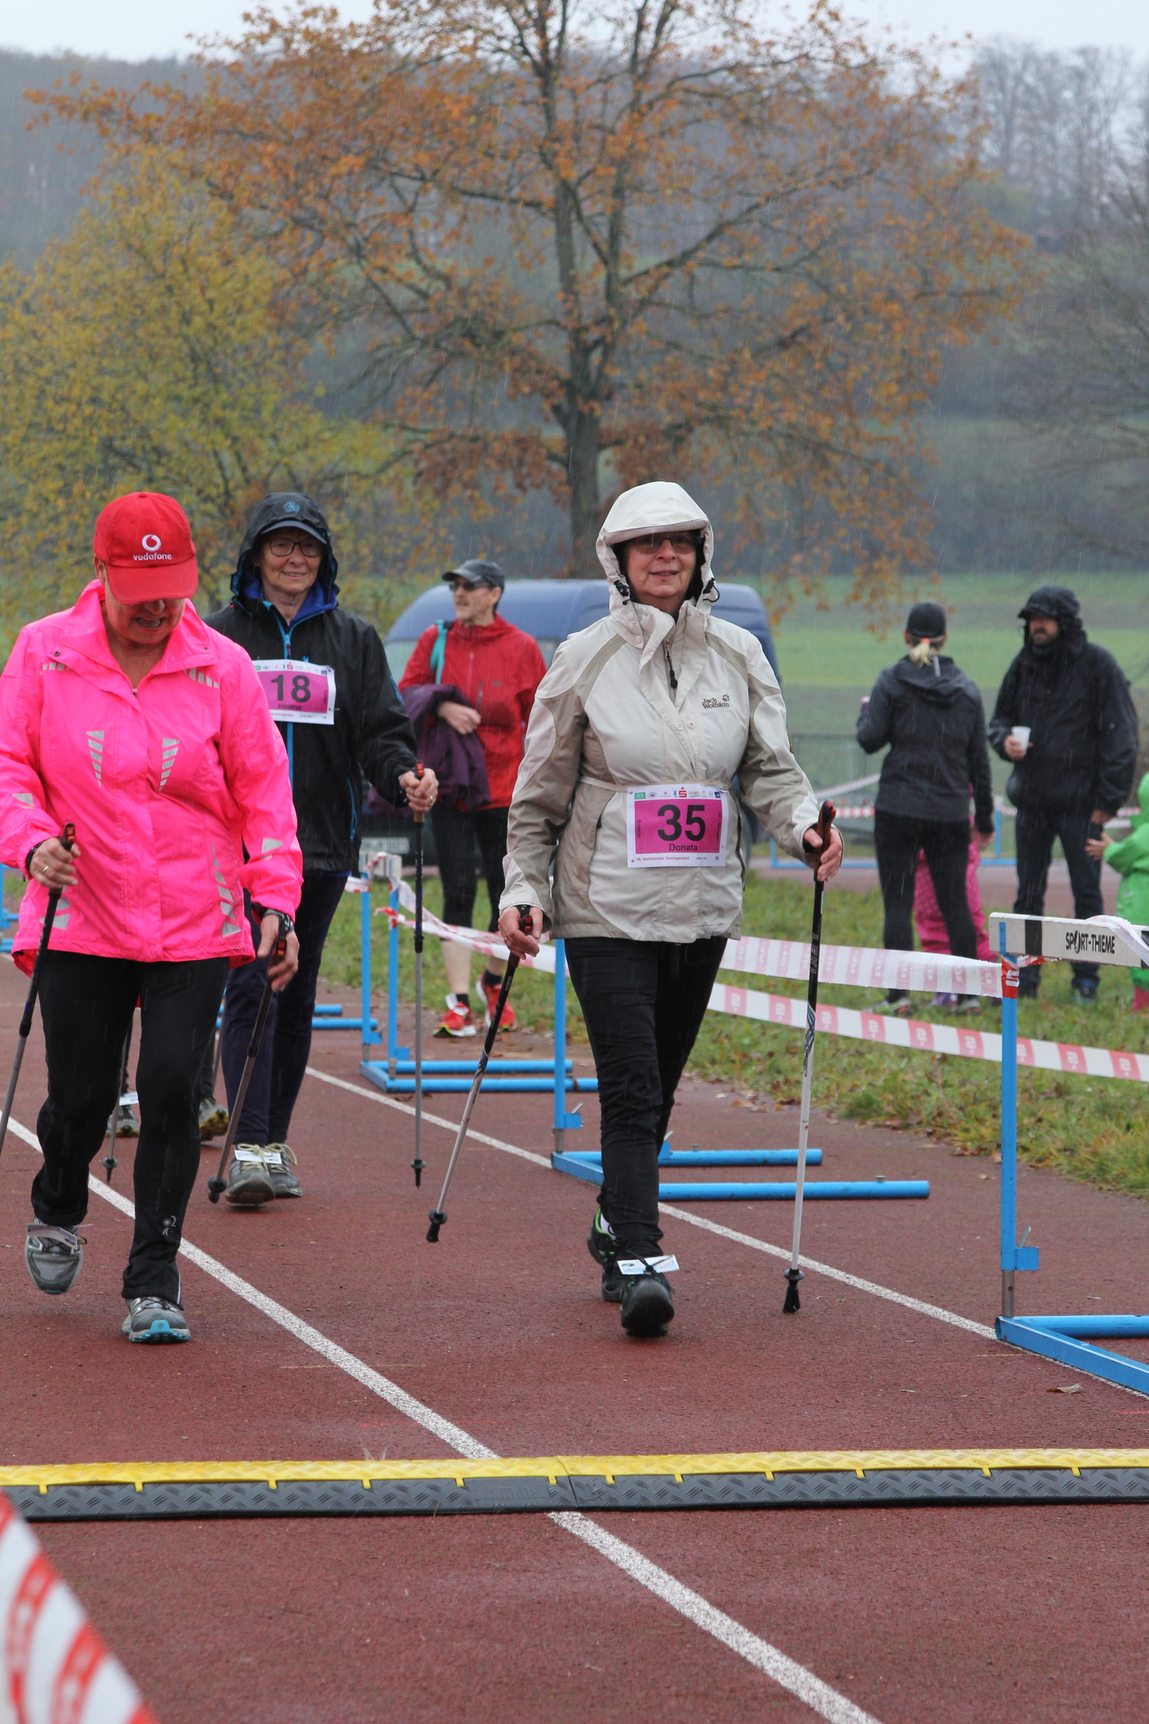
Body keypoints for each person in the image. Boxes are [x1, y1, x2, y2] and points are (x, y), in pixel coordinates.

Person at [497, 482, 841, 1339]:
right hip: (604, 908)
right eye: (646, 544)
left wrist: (805, 828)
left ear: (700, 554)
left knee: (663, 1081)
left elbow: (770, 770)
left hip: (701, 906)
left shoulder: (737, 654)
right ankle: (640, 1260)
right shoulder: (582, 657)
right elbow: (537, 798)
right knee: (632, 1086)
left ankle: (614, 1217)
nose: (664, 557)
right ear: (617, 559)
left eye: (679, 543)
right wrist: (522, 890)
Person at [0, 491, 302, 1343]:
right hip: (82, 907)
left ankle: (154, 1276)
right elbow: (8, 765)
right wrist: (29, 842)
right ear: (100, 574)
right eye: (139, 593)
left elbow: (264, 793)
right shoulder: (43, 652)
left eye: (171, 591)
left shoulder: (222, 666)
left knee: (172, 1088)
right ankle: (60, 1198)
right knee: (81, 1098)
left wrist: (275, 897)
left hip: (192, 911)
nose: (157, 610)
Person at [206, 493, 436, 1204]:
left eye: (307, 547)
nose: (294, 558)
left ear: (324, 559)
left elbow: (381, 733)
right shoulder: (216, 636)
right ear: (255, 555)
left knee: (294, 989)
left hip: (322, 845)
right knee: (253, 980)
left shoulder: (354, 640)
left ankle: (271, 1142)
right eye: (280, 545)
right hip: (240, 846)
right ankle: (248, 1144)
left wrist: (404, 777)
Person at [400, 560, 545, 1036]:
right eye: (455, 587)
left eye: (470, 586)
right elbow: (405, 694)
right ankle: (458, 1001)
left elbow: (543, 719)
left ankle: (492, 981)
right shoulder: (436, 639)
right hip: (452, 785)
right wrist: (442, 704)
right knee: (458, 891)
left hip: (506, 790)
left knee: (507, 896)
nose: (459, 594)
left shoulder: (522, 647)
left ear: (494, 593)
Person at [989, 586, 1138, 1003]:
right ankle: (1024, 981)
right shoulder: (1023, 665)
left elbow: (1122, 737)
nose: (1036, 626)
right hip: (1032, 802)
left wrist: (1108, 801)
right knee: (1027, 894)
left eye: (1045, 619)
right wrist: (1004, 741)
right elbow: (998, 720)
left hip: (1083, 806)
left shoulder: (1098, 665)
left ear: (1065, 623)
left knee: (1087, 895)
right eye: (1031, 619)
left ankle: (1086, 981)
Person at [857, 602, 995, 1017]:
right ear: (944, 639)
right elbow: (980, 761)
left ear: (906, 636)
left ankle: (898, 997)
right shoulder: (966, 691)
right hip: (949, 812)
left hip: (898, 808)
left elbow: (870, 739)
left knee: (898, 904)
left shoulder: (891, 682)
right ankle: (968, 996)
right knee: (956, 905)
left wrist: (866, 711)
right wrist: (984, 818)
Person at [1087, 768, 1149, 1011]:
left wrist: (1109, 850)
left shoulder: (1144, 834)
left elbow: (1124, 856)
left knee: (1143, 956)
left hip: (1143, 904)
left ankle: (1143, 1004)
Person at [914, 820, 993, 1007]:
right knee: (972, 931)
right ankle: (992, 981)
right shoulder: (962, 816)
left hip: (929, 885)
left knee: (935, 934)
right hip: (963, 881)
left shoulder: (919, 814)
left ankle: (946, 989)